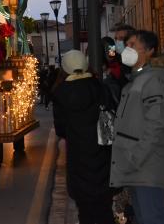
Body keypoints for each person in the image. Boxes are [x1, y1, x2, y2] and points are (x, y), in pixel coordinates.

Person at [110, 30, 164, 224]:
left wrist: (134, 158)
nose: (126, 49)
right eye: (126, 44)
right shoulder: (137, 79)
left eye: (132, 44)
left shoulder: (153, 80)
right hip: (137, 170)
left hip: (147, 169)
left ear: (149, 51)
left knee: (153, 217)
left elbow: (156, 127)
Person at [53, 50, 114, 224]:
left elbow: (61, 129)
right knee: (104, 209)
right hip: (102, 155)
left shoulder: (61, 93)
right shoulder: (100, 88)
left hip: (78, 158)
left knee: (85, 211)